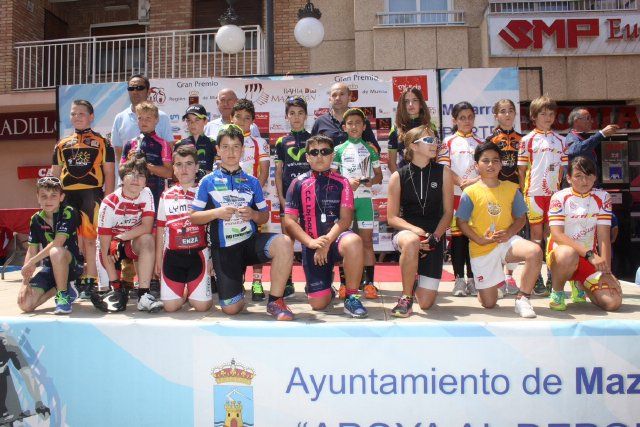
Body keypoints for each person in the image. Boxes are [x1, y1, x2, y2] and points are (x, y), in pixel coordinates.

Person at [190, 125, 295, 320]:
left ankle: (275, 301)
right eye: (226, 147)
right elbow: (194, 216)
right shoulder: (207, 181)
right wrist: (216, 213)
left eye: (236, 147)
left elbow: (264, 216)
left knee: (284, 243)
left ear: (242, 150)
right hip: (225, 249)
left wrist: (254, 215)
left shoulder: (252, 181)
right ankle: (236, 290)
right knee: (232, 309)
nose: (231, 152)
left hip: (249, 243)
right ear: (218, 150)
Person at [284, 135, 368, 318]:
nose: (319, 156)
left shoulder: (343, 182)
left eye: (325, 152)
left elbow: (345, 220)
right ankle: (325, 287)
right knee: (318, 305)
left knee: (354, 241)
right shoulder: (297, 183)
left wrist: (326, 242)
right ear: (307, 157)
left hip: (336, 240)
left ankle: (351, 297)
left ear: (332, 156)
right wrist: (312, 243)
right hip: (312, 245)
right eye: (314, 152)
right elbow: (289, 221)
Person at [456, 143, 542, 318]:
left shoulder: (511, 188)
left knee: (534, 251)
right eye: (485, 161)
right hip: (482, 248)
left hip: (506, 242)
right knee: (489, 303)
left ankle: (522, 298)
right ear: (476, 165)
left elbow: (521, 218)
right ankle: (496, 285)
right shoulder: (470, 192)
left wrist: (510, 233)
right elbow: (461, 222)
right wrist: (479, 239)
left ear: (501, 164)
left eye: (495, 160)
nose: (490, 165)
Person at [51, 99, 115, 299]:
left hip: (91, 195)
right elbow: (54, 176)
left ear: (91, 116)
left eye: (81, 113)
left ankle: (91, 280)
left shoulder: (103, 142)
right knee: (67, 239)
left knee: (89, 240)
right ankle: (68, 279)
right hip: (67, 197)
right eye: (73, 114)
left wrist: (108, 200)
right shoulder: (61, 145)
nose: (77, 117)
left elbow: (110, 175)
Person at [387, 126, 453, 317]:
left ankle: (413, 275)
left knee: (425, 303)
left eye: (436, 140)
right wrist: (417, 231)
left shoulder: (444, 172)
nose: (435, 144)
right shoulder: (398, 175)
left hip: (434, 237)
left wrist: (436, 236)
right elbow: (392, 218)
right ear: (413, 146)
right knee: (411, 241)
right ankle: (406, 297)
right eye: (429, 141)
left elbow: (448, 213)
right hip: (407, 232)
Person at [546, 156, 622, 312]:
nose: (584, 181)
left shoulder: (603, 197)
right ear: (568, 178)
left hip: (590, 260)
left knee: (613, 303)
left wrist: (606, 272)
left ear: (595, 177)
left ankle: (579, 283)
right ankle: (557, 292)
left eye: (589, 175)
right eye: (578, 176)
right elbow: (557, 235)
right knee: (568, 253)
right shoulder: (559, 197)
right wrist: (589, 254)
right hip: (562, 255)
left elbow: (604, 237)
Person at [94, 157, 162, 313]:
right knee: (110, 296)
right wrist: (115, 284)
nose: (136, 179)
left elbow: (146, 227)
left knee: (147, 239)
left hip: (127, 241)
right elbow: (104, 245)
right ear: (122, 178)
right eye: (131, 174)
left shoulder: (146, 193)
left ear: (145, 182)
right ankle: (113, 287)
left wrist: (120, 238)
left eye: (141, 175)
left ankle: (144, 295)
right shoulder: (109, 203)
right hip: (109, 249)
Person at [518, 95, 568, 296]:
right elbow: (521, 170)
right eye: (542, 114)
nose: (547, 117)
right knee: (536, 237)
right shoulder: (526, 140)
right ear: (533, 116)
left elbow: (563, 170)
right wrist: (524, 193)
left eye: (551, 113)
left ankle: (551, 276)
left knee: (552, 236)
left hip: (554, 196)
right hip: (534, 194)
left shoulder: (561, 140)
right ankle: (536, 275)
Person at [332, 108, 383, 299]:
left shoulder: (370, 149)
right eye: (350, 123)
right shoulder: (338, 150)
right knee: (343, 242)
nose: (354, 126)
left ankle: (368, 283)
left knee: (367, 241)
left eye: (357, 123)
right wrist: (345, 182)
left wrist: (371, 180)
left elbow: (379, 176)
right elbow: (332, 175)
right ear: (344, 127)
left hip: (364, 200)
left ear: (363, 127)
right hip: (345, 201)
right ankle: (344, 284)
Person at [230, 98, 277, 301]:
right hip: (230, 199)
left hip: (253, 199)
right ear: (231, 118)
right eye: (238, 117)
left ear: (252, 121)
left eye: (246, 118)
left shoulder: (260, 143)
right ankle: (237, 283)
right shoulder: (225, 141)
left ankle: (257, 282)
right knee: (235, 242)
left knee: (255, 243)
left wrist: (249, 197)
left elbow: (264, 174)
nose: (241, 121)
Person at [155, 145, 212, 312]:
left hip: (198, 255)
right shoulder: (166, 195)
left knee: (201, 307)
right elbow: (160, 229)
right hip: (172, 256)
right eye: (179, 164)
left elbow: (212, 228)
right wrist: (159, 259)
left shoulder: (205, 193)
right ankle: (186, 291)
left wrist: (212, 259)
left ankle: (193, 291)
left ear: (196, 167)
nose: (184, 169)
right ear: (173, 168)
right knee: (170, 308)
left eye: (188, 164)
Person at [17, 177, 83, 315]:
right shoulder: (35, 219)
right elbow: (32, 249)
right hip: (49, 269)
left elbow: (58, 242)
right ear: (38, 198)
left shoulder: (68, 212)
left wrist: (31, 262)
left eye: (53, 196)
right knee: (25, 304)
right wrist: (25, 283)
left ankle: (63, 295)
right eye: (44, 196)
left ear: (61, 197)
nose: (48, 200)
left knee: (56, 251)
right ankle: (62, 289)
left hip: (72, 266)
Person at [437, 101, 482, 297]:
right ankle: (458, 280)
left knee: (472, 238)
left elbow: (487, 167)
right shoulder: (447, 142)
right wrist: (461, 183)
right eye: (462, 118)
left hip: (476, 197)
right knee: (457, 240)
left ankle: (472, 279)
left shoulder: (481, 143)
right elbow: (444, 168)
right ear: (454, 120)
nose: (466, 121)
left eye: (470, 117)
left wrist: (473, 182)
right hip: (455, 196)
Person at [486, 99, 523, 296]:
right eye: (502, 111)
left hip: (515, 189)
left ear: (515, 114)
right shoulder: (490, 140)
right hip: (497, 190)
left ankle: (510, 274)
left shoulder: (522, 139)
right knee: (496, 229)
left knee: (513, 230)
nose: (507, 115)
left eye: (510, 111)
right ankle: (496, 275)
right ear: (496, 116)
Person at [275, 96, 312, 290]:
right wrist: (281, 199)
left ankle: (312, 281)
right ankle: (286, 282)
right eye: (292, 113)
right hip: (289, 201)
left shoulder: (312, 140)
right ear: (286, 116)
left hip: (310, 198)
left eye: (300, 113)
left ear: (306, 115)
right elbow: (279, 174)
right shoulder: (281, 141)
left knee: (309, 242)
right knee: (287, 243)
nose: (296, 117)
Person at [121, 101, 173, 209]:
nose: (143, 121)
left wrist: (145, 165)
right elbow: (121, 171)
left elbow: (169, 173)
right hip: (132, 195)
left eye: (148, 118)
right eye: (140, 118)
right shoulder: (130, 144)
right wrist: (129, 163)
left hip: (155, 195)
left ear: (156, 120)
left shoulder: (163, 144)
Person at [111, 74, 173, 164]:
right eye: (131, 88)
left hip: (156, 176)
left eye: (139, 88)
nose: (135, 91)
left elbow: (169, 148)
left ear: (148, 92)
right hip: (128, 176)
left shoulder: (162, 117)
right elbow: (117, 151)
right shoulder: (120, 118)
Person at [311, 82, 380, 151]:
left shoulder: (361, 121)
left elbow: (375, 150)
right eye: (334, 95)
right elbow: (312, 150)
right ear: (330, 99)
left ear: (349, 97)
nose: (338, 98)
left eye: (342, 94)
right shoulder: (320, 122)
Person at [0, 329, 50, 424]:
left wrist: (39, 402)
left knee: (8, 418)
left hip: (4, 379)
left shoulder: (9, 343)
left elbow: (27, 373)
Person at [387, 87, 432, 174]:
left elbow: (436, 157)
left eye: (415, 100)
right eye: (406, 101)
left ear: (421, 104)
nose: (410, 104)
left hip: (427, 176)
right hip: (405, 178)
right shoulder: (396, 128)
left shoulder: (430, 126)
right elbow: (391, 163)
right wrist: (400, 181)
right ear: (402, 105)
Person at [174, 104, 218, 177]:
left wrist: (201, 174)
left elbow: (219, 170)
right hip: (186, 186)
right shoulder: (179, 144)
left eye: (197, 120)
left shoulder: (213, 143)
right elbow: (174, 172)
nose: (192, 123)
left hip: (207, 186)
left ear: (205, 121)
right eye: (189, 120)